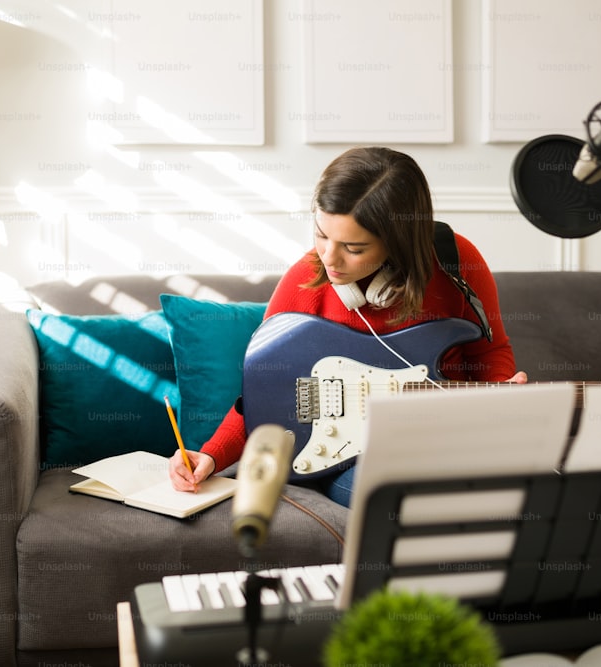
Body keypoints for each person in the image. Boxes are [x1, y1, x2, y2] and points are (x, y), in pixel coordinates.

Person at [169, 146, 527, 506]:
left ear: (399, 243)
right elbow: (262, 398)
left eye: (353, 248)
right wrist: (211, 456)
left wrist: (498, 399)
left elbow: (491, 351)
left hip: (450, 438)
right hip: (351, 459)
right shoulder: (304, 280)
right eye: (322, 235)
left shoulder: (456, 262)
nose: (328, 258)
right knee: (402, 497)